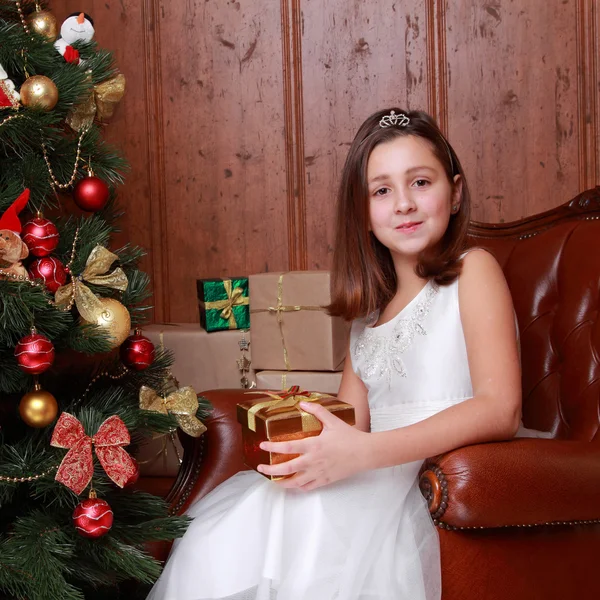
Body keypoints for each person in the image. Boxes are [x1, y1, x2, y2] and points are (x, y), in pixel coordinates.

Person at [147, 108, 523, 600]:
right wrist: (295, 437)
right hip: (369, 467)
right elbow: (348, 421)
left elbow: (501, 409)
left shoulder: (474, 271)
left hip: (419, 475)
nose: (404, 204)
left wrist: (363, 453)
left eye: (421, 183)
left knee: (313, 530)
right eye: (382, 191)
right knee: (238, 525)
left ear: (454, 193)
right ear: (362, 214)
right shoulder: (369, 316)